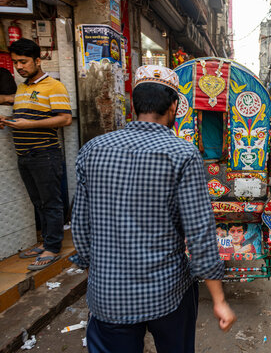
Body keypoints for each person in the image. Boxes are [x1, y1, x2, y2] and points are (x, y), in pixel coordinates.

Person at [72, 65, 236, 352]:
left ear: (133, 104)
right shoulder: (182, 154)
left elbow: (81, 228)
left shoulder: (92, 150)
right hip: (167, 292)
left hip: (109, 296)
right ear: (173, 106)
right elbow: (200, 233)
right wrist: (219, 300)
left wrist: (98, 271)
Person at [0, 38, 72, 270]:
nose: (19, 67)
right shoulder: (22, 88)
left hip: (44, 153)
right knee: (38, 202)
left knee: (51, 202)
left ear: (37, 61)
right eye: (16, 63)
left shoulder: (54, 86)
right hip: (25, 155)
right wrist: (7, 121)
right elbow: (27, 115)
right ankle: (46, 243)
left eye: (24, 62)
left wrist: (27, 126)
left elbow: (65, 118)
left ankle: (52, 247)